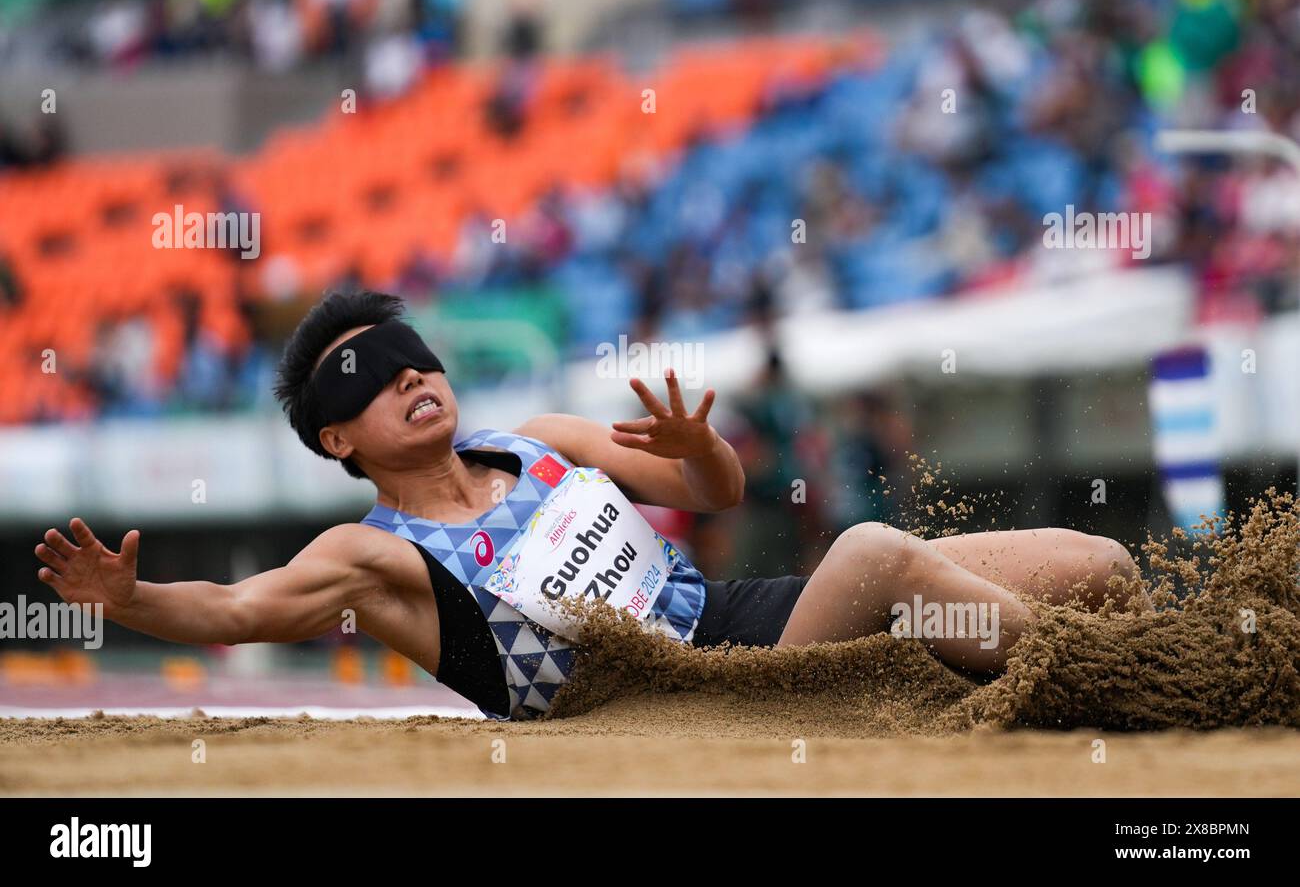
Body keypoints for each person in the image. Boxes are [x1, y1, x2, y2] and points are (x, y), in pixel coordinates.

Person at [35, 290, 1143, 719]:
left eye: (416, 361)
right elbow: (234, 613)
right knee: (877, 554)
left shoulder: (541, 441)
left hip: (740, 623)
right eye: (371, 381)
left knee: (1088, 560)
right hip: (675, 708)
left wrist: (699, 449)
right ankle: (1114, 689)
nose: (410, 380)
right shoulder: (374, 553)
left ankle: (1163, 657)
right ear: (338, 436)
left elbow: (715, 492)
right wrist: (127, 600)